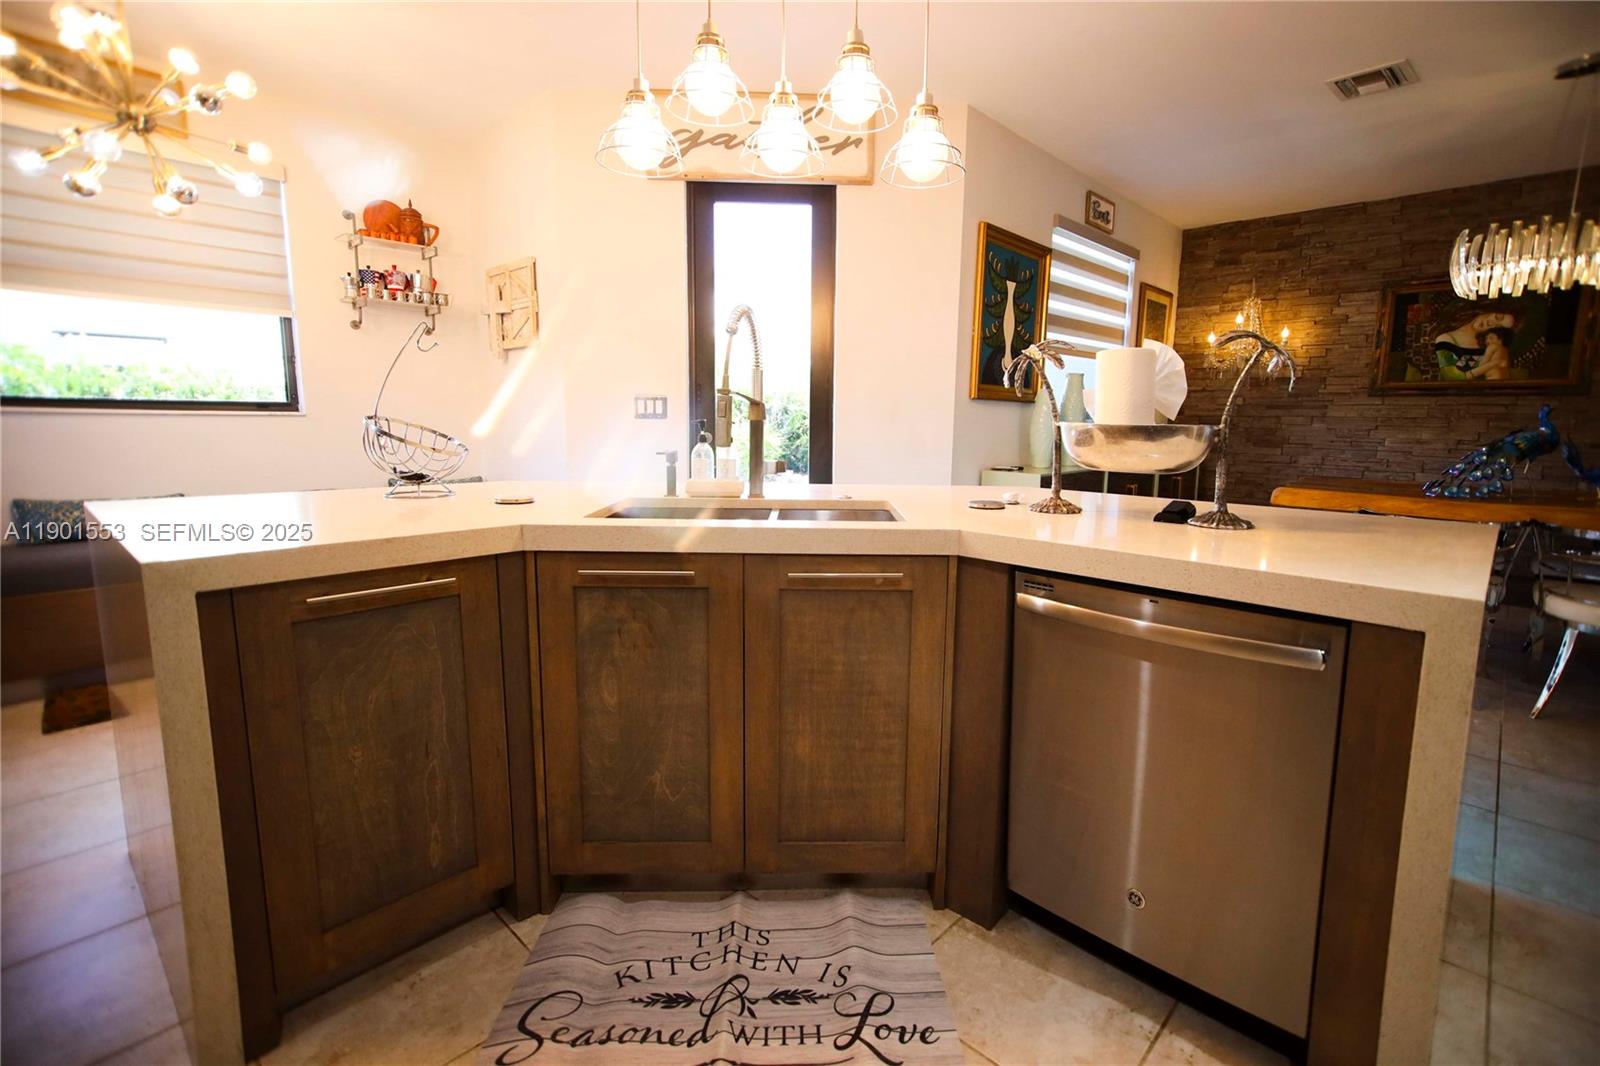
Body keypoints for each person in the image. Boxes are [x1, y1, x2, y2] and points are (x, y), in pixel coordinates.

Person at [1435, 311, 1515, 379]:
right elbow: (1451, 376)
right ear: (1490, 309)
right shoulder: (1446, 338)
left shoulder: (1489, 345)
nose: (1492, 324)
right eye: (1498, 317)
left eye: (1498, 327)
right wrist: (1493, 363)